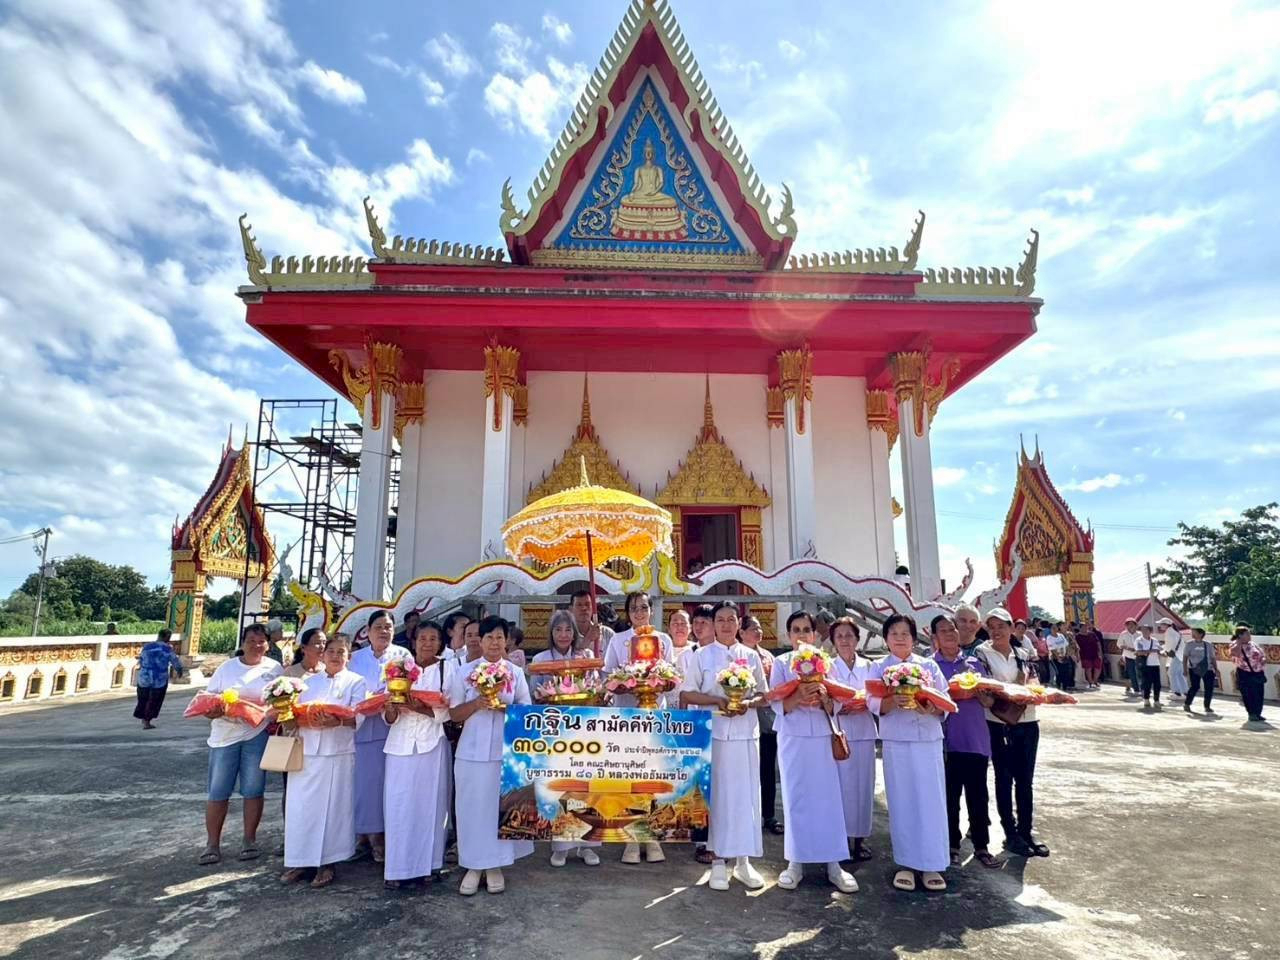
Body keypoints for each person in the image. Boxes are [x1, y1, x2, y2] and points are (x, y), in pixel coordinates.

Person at [678, 601, 768, 891]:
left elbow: (764, 696)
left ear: (739, 624)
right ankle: (717, 861)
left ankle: (743, 862)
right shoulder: (702, 655)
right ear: (713, 624)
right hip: (714, 736)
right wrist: (717, 700)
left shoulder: (750, 656)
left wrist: (747, 704)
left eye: (731, 619)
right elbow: (688, 692)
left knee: (746, 797)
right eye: (720, 620)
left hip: (745, 735)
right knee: (718, 799)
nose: (726, 625)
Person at [769, 611, 858, 893]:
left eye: (806, 629)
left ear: (814, 634)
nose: (801, 635)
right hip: (793, 737)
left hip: (822, 737)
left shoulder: (826, 663)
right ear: (788, 635)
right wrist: (798, 697)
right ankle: (795, 862)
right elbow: (775, 701)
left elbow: (838, 702)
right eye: (796, 630)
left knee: (828, 798)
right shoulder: (782, 663)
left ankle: (834, 863)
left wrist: (824, 699)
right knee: (796, 798)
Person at [447, 616, 534, 894]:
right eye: (489, 637)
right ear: (479, 641)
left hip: (503, 751)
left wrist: (501, 709)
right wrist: (476, 703)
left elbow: (526, 712)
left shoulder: (515, 672)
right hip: (471, 751)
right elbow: (453, 713)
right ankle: (473, 865)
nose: (494, 642)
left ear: (506, 641)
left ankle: (495, 865)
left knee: (498, 809)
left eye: (499, 637)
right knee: (471, 807)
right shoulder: (464, 672)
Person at [869, 615, 950, 893]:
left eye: (905, 633)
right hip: (897, 740)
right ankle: (905, 863)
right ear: (886, 638)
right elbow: (871, 702)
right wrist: (893, 700)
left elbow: (945, 700)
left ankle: (931, 864)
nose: (900, 638)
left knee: (930, 801)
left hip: (927, 739)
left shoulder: (928, 666)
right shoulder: (879, 667)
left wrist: (931, 708)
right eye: (894, 633)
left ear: (914, 638)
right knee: (902, 800)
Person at [280, 633, 365, 888]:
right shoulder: (307, 683)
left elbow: (359, 716)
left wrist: (337, 720)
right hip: (307, 752)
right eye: (331, 651)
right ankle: (300, 860)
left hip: (337, 753)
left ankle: (327, 862)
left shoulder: (355, 682)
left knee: (333, 809)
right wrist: (287, 714)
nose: (336, 656)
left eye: (341, 652)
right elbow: (294, 714)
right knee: (302, 808)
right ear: (322, 654)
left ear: (349, 656)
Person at [198, 623, 282, 865]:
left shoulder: (274, 669)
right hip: (225, 736)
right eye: (251, 640)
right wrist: (218, 711)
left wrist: (271, 712)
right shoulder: (227, 669)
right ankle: (212, 844)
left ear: (268, 644)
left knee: (254, 789)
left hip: (256, 734)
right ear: (242, 642)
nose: (256, 645)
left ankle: (249, 840)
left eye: (261, 641)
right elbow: (209, 702)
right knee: (218, 791)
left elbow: (282, 698)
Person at [602, 592, 673, 865]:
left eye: (644, 607)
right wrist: (625, 682)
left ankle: (652, 837)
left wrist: (659, 683)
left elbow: (674, 676)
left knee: (654, 777)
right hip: (627, 716)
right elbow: (608, 675)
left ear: (651, 610)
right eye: (634, 608)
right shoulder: (620, 641)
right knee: (629, 777)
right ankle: (630, 839)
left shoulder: (663, 640)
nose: (639, 612)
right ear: (628, 613)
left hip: (656, 717)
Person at [382, 620, 452, 888]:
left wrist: (420, 707)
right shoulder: (397, 669)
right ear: (414, 641)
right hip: (399, 744)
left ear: (440, 642)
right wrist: (392, 707)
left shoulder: (447, 668)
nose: (427, 643)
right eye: (423, 638)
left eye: (433, 638)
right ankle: (397, 868)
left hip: (432, 742)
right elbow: (387, 714)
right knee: (398, 805)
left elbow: (449, 710)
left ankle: (429, 865)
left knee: (430, 805)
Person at [976, 608, 1049, 858]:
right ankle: (1010, 832)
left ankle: (1026, 830)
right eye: (991, 626)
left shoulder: (1022, 653)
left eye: (1001, 626)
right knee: (1004, 778)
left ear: (1011, 628)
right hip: (998, 722)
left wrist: (1030, 690)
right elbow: (985, 688)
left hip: (1028, 720)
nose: (996, 631)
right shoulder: (982, 653)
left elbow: (1035, 682)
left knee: (1025, 780)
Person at [531, 610, 602, 868]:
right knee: (560, 788)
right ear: (551, 633)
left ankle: (588, 846)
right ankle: (561, 847)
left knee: (586, 789)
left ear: (575, 633)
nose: (563, 635)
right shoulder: (540, 659)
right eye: (558, 630)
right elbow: (534, 697)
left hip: (584, 733)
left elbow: (597, 690)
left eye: (568, 630)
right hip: (554, 734)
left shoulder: (586, 658)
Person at [931, 615, 1001, 869]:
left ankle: (982, 846)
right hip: (946, 742)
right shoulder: (930, 667)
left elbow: (990, 702)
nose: (950, 634)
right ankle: (951, 844)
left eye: (953, 629)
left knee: (978, 795)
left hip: (975, 739)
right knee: (949, 797)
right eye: (943, 631)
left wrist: (982, 697)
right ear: (934, 638)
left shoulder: (974, 664)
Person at [348, 610, 398, 863]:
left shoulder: (403, 657)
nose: (383, 631)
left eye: (388, 626)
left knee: (384, 787)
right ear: (367, 631)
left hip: (393, 730)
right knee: (362, 787)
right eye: (378, 626)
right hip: (361, 730)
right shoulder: (354, 659)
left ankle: (381, 836)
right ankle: (363, 835)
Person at [829, 617, 876, 863]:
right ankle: (843, 839)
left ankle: (860, 839)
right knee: (842, 788)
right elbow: (826, 699)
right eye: (840, 636)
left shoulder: (870, 667)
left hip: (865, 731)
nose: (845, 640)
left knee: (863, 787)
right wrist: (840, 706)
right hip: (840, 733)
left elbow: (877, 696)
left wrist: (863, 703)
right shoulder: (827, 667)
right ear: (834, 642)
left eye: (849, 635)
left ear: (857, 639)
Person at [739, 614, 782, 836]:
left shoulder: (767, 656)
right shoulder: (735, 655)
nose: (758, 632)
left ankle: (769, 815)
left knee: (767, 769)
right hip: (743, 717)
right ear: (742, 632)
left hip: (767, 718)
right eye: (753, 628)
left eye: (760, 628)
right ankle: (747, 815)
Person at [134, 627, 185, 729]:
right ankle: (147, 720)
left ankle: (143, 717)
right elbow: (175, 661)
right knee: (154, 700)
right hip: (159, 678)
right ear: (167, 637)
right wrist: (179, 671)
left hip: (144, 677)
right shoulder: (167, 648)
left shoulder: (147, 646)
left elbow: (141, 659)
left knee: (143, 698)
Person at [1231, 625, 1268, 722]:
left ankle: (1258, 713)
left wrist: (1263, 659)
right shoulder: (1235, 645)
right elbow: (1236, 654)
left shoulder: (1252, 644)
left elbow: (1262, 653)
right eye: (1247, 634)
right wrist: (1239, 643)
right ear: (1240, 635)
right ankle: (1251, 713)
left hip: (1257, 672)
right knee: (1248, 694)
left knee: (1259, 694)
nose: (1249, 635)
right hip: (1245, 672)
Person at [1183, 628, 1218, 714]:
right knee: (1195, 687)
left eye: (1194, 633)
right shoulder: (1189, 644)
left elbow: (1213, 657)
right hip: (1194, 668)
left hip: (1208, 668)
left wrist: (1216, 669)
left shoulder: (1208, 644)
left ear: (1201, 634)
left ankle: (1207, 706)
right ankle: (1187, 703)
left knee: (1209, 688)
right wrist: (1185, 669)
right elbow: (1185, 657)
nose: (1192, 634)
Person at [568, 588, 613, 656]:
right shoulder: (566, 635)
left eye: (587, 604)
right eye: (579, 605)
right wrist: (588, 639)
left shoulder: (607, 633)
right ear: (571, 609)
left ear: (593, 607)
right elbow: (567, 659)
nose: (584, 608)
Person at [1135, 623, 1163, 710]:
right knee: (1147, 683)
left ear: (1150, 631)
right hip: (1145, 664)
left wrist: (1162, 652)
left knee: (1157, 684)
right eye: (1142, 630)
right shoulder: (1139, 640)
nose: (1144, 632)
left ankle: (1156, 700)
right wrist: (1151, 651)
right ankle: (1146, 699)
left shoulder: (1154, 640)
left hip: (1155, 663)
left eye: (1146, 630)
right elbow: (1139, 652)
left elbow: (1159, 650)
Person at [1159, 619, 1188, 701]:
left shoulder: (1169, 632)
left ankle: (1177, 693)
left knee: (1171, 673)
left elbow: (1171, 644)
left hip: (1175, 655)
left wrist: (1164, 651)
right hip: (1180, 656)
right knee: (1179, 674)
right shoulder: (1175, 632)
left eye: (1161, 624)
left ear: (1166, 625)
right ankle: (1185, 692)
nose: (1160, 626)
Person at [1075, 621, 1104, 690]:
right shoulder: (1077, 636)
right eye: (1083, 627)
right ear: (1080, 628)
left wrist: (1100, 652)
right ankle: (1090, 682)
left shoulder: (1092, 634)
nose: (1085, 628)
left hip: (1095, 653)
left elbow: (1098, 643)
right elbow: (1076, 646)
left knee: (1098, 667)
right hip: (1085, 654)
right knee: (1088, 668)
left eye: (1086, 626)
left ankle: (1095, 680)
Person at [1118, 617, 1142, 696]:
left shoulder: (1139, 634)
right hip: (1128, 655)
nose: (1130, 626)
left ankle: (1142, 687)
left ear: (1136, 625)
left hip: (1139, 655)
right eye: (1128, 624)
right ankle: (1136, 689)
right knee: (1132, 672)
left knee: (1140, 672)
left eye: (1132, 624)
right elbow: (1119, 644)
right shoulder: (1123, 634)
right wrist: (1127, 648)